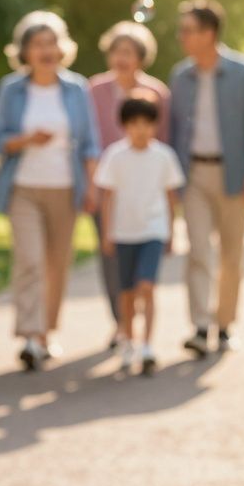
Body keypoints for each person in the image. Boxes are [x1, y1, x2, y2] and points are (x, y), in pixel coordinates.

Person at [0, 11, 100, 370]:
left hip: (64, 187)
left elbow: (89, 143)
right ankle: (28, 334)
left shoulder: (76, 88)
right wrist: (27, 139)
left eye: (52, 42)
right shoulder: (11, 89)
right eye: (38, 44)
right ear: (24, 51)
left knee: (57, 264)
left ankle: (46, 332)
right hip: (23, 186)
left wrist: (91, 186)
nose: (46, 50)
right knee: (30, 260)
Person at [167, 0, 244, 356]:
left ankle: (224, 325)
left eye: (189, 30)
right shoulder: (180, 77)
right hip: (193, 174)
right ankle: (199, 326)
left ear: (209, 33)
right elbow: (172, 130)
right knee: (197, 250)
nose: (182, 36)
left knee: (231, 255)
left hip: (234, 174)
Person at [88, 21, 172, 346]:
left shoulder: (157, 93)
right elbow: (89, 139)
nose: (121, 58)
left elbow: (163, 143)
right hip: (108, 189)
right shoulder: (94, 90)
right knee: (113, 262)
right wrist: (92, 185)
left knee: (143, 269)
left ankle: (136, 321)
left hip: (146, 194)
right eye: (116, 51)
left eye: (129, 51)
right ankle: (122, 323)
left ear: (141, 57)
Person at [93, 90, 184, 375]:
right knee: (128, 293)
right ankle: (128, 341)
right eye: (134, 123)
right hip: (123, 233)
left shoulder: (163, 156)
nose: (140, 129)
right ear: (125, 125)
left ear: (155, 124)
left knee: (147, 286)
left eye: (146, 123)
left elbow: (171, 196)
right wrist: (107, 233)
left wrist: (171, 232)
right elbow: (106, 198)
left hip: (152, 231)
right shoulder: (115, 156)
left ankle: (147, 346)